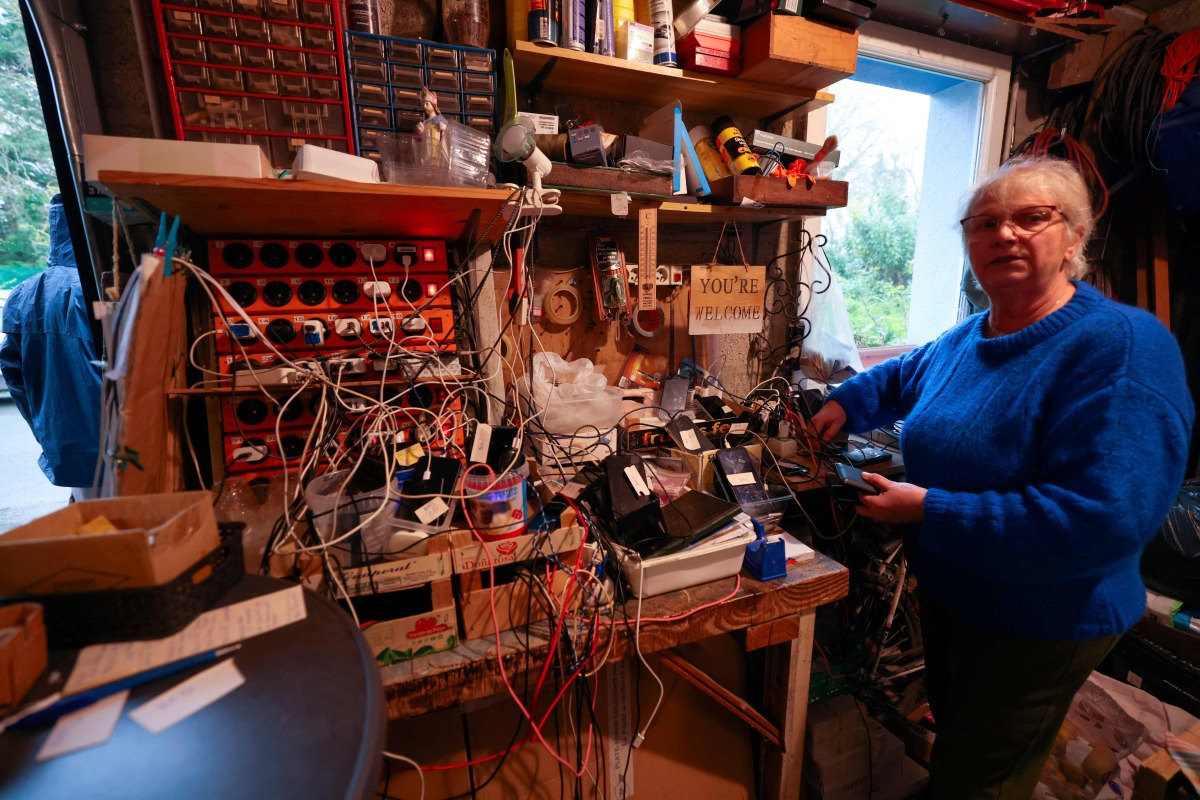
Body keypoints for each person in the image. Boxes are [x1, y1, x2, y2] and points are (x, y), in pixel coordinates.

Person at [809, 156, 1194, 799]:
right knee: (963, 743)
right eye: (984, 223)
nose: (1004, 234)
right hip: (960, 594)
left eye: (1031, 217)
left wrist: (931, 510)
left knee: (983, 777)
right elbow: (905, 375)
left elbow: (1101, 519)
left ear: (1075, 237)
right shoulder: (974, 334)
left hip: (1044, 615)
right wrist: (845, 403)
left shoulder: (1120, 348)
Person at [0, 195, 102, 499]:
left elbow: (14, 378)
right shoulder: (100, 287)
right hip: (121, 443)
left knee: (91, 524)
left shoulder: (23, 295)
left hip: (65, 440)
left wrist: (47, 428)